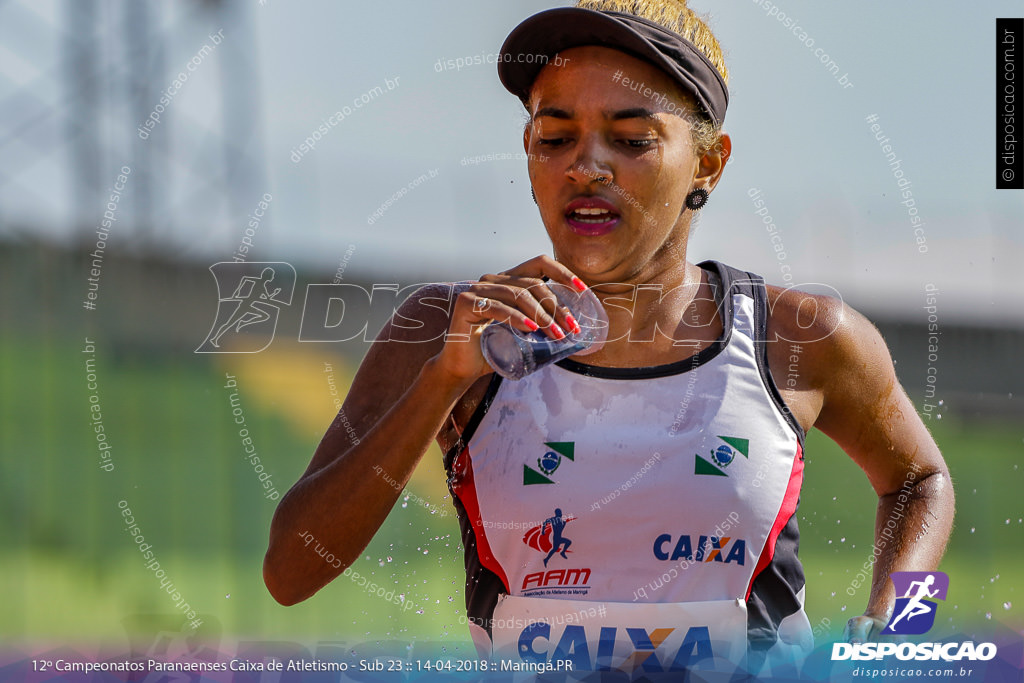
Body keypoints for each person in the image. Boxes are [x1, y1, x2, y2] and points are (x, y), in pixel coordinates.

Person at [263, 0, 954, 674]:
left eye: (630, 139)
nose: (586, 166)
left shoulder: (799, 335)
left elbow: (920, 479)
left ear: (708, 164)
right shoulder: (445, 329)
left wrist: (905, 623)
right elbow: (291, 572)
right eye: (555, 136)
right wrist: (441, 380)